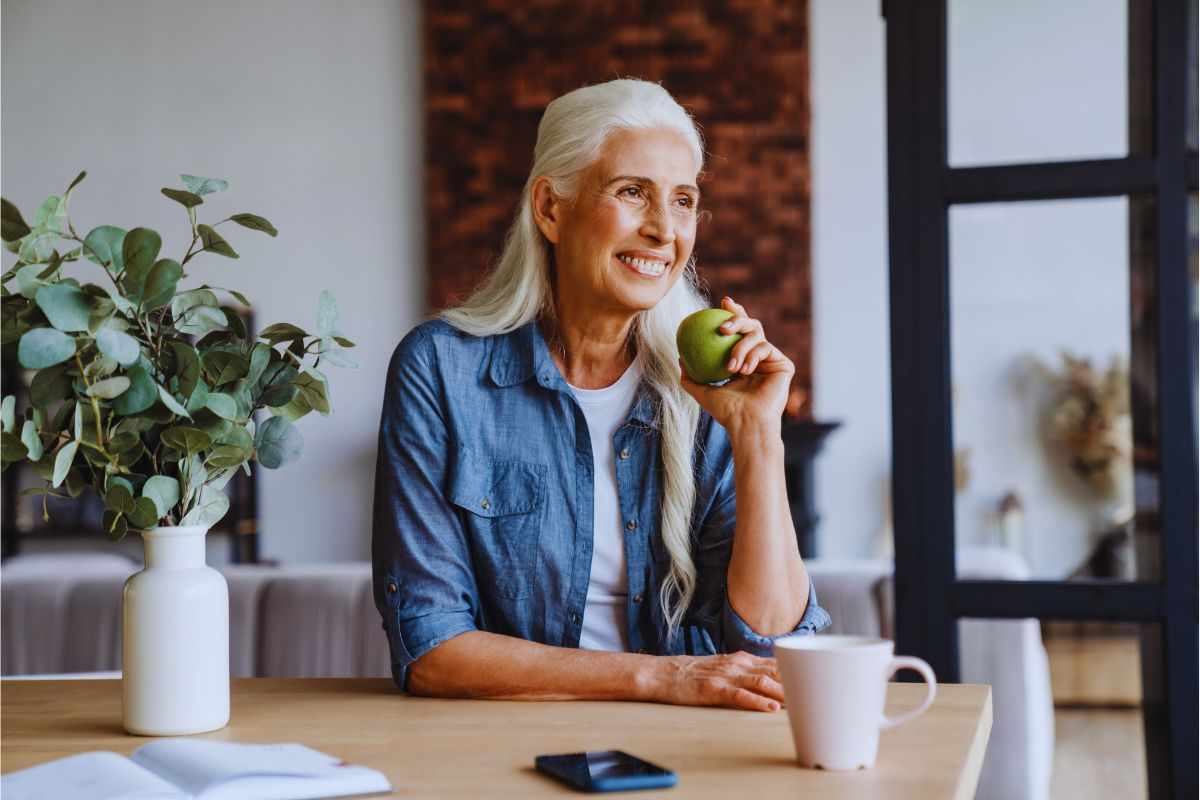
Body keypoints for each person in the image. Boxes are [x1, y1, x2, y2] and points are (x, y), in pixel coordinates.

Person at [372, 78, 830, 713]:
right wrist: (662, 678)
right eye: (632, 192)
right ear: (550, 209)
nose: (663, 230)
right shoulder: (442, 370)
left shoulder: (710, 387)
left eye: (683, 200)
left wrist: (757, 435)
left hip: (691, 746)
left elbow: (776, 649)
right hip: (504, 744)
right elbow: (430, 648)